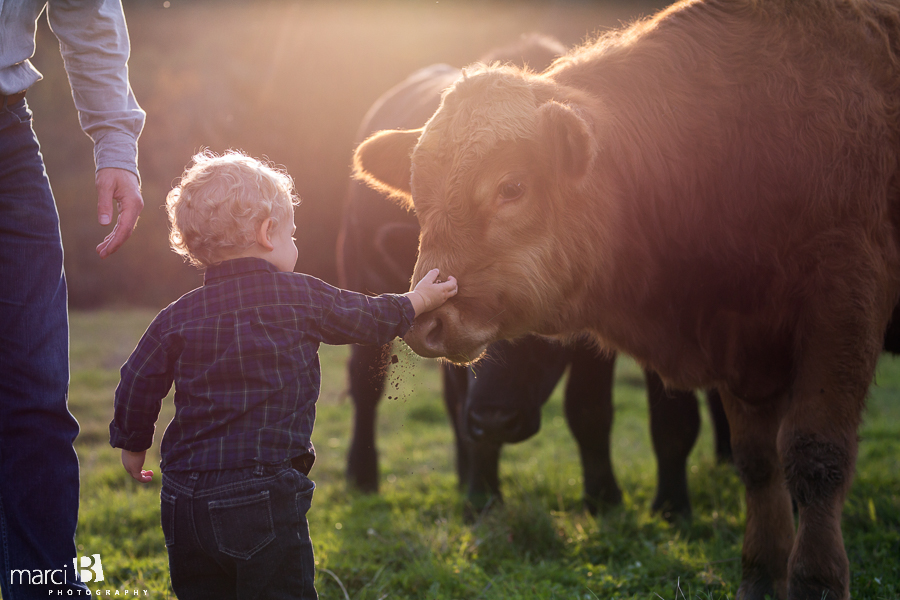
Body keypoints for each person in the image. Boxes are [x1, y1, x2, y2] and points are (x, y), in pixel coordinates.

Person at [109, 150, 457, 599]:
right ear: (267, 233)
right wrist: (418, 301)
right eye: (292, 234)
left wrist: (134, 442)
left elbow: (138, 377)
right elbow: (366, 317)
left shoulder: (176, 317)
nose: (297, 245)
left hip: (183, 499)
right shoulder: (298, 297)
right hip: (261, 493)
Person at [0, 1, 144, 597]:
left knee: (35, 388)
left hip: (6, 134)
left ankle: (46, 588)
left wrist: (116, 141)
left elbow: (86, 8)